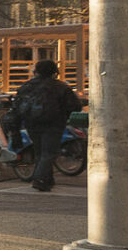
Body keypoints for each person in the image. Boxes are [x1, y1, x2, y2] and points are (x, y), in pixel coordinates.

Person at [10, 58, 84, 192]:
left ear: (36, 72)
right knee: (49, 153)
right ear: (54, 72)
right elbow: (75, 106)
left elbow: (17, 107)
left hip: (31, 124)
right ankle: (40, 179)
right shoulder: (60, 87)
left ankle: (48, 179)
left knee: (40, 151)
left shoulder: (26, 87)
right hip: (54, 123)